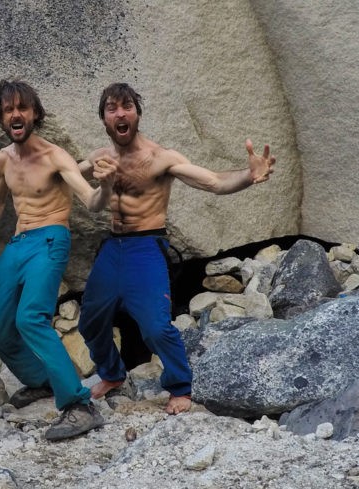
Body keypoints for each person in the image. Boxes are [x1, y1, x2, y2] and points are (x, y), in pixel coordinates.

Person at [77, 82, 276, 414]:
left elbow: (213, 181)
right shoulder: (100, 157)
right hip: (112, 246)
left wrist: (247, 175)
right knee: (90, 322)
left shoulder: (160, 158)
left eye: (127, 106)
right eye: (112, 108)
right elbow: (64, 173)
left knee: (156, 326)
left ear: (137, 114)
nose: (120, 113)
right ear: (104, 118)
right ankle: (112, 373)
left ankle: (180, 387)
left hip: (146, 246)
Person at [0, 80, 117, 441]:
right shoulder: (3, 159)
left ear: (35, 113)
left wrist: (106, 185)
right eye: (8, 109)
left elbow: (91, 201)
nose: (15, 114)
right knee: (0, 330)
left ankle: (79, 405)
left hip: (50, 239)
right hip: (17, 245)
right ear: (0, 118)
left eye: (22, 107)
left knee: (30, 318)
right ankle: (42, 380)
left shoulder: (55, 156)